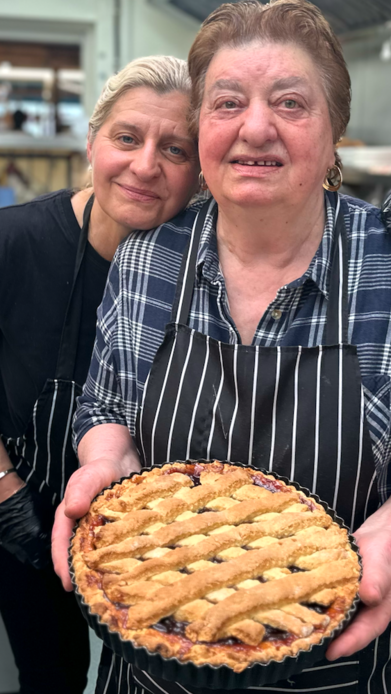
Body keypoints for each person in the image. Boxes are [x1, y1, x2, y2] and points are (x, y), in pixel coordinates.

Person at [53, 0, 391, 694]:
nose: (256, 127)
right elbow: (108, 404)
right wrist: (105, 456)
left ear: (335, 136)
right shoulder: (149, 258)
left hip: (335, 666)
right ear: (203, 129)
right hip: (154, 654)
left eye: (292, 103)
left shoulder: (390, 266)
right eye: (227, 102)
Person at [0, 55, 199, 694]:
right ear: (92, 142)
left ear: (202, 171)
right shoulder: (16, 241)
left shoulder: (210, 270)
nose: (146, 166)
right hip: (25, 510)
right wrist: (6, 497)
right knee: (52, 672)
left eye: (176, 148)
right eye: (126, 137)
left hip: (148, 538)